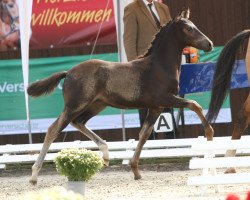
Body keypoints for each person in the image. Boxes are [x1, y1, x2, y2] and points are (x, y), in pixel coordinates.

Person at [123, 0, 177, 139]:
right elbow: (129, 40)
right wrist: (134, 67)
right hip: (145, 67)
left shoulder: (163, 8)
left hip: (165, 67)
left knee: (167, 101)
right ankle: (147, 141)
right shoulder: (131, 9)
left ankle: (171, 140)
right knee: (146, 104)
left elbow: (172, 34)